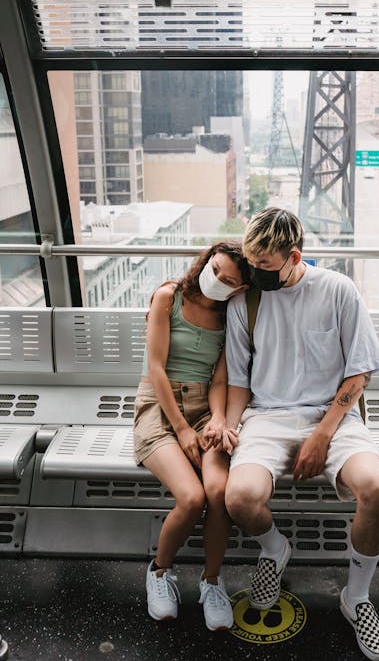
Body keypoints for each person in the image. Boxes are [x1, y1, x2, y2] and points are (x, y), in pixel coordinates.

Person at [223, 208, 379, 661]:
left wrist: (321, 435)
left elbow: (359, 375)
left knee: (377, 489)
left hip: (332, 418)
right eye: (250, 262)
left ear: (294, 256)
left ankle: (356, 597)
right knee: (239, 497)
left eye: (264, 266)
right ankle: (275, 548)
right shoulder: (246, 303)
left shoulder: (337, 290)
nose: (253, 272)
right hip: (267, 417)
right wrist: (228, 423)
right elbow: (240, 381)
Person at [133, 241, 249, 631]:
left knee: (219, 493)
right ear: (206, 260)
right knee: (192, 497)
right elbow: (156, 368)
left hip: (204, 409)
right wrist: (182, 430)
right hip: (160, 407)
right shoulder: (169, 297)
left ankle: (211, 581)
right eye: (215, 270)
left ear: (241, 289)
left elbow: (220, 377)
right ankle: (160, 571)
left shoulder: (230, 314)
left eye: (229, 281)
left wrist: (217, 418)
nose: (217, 281)